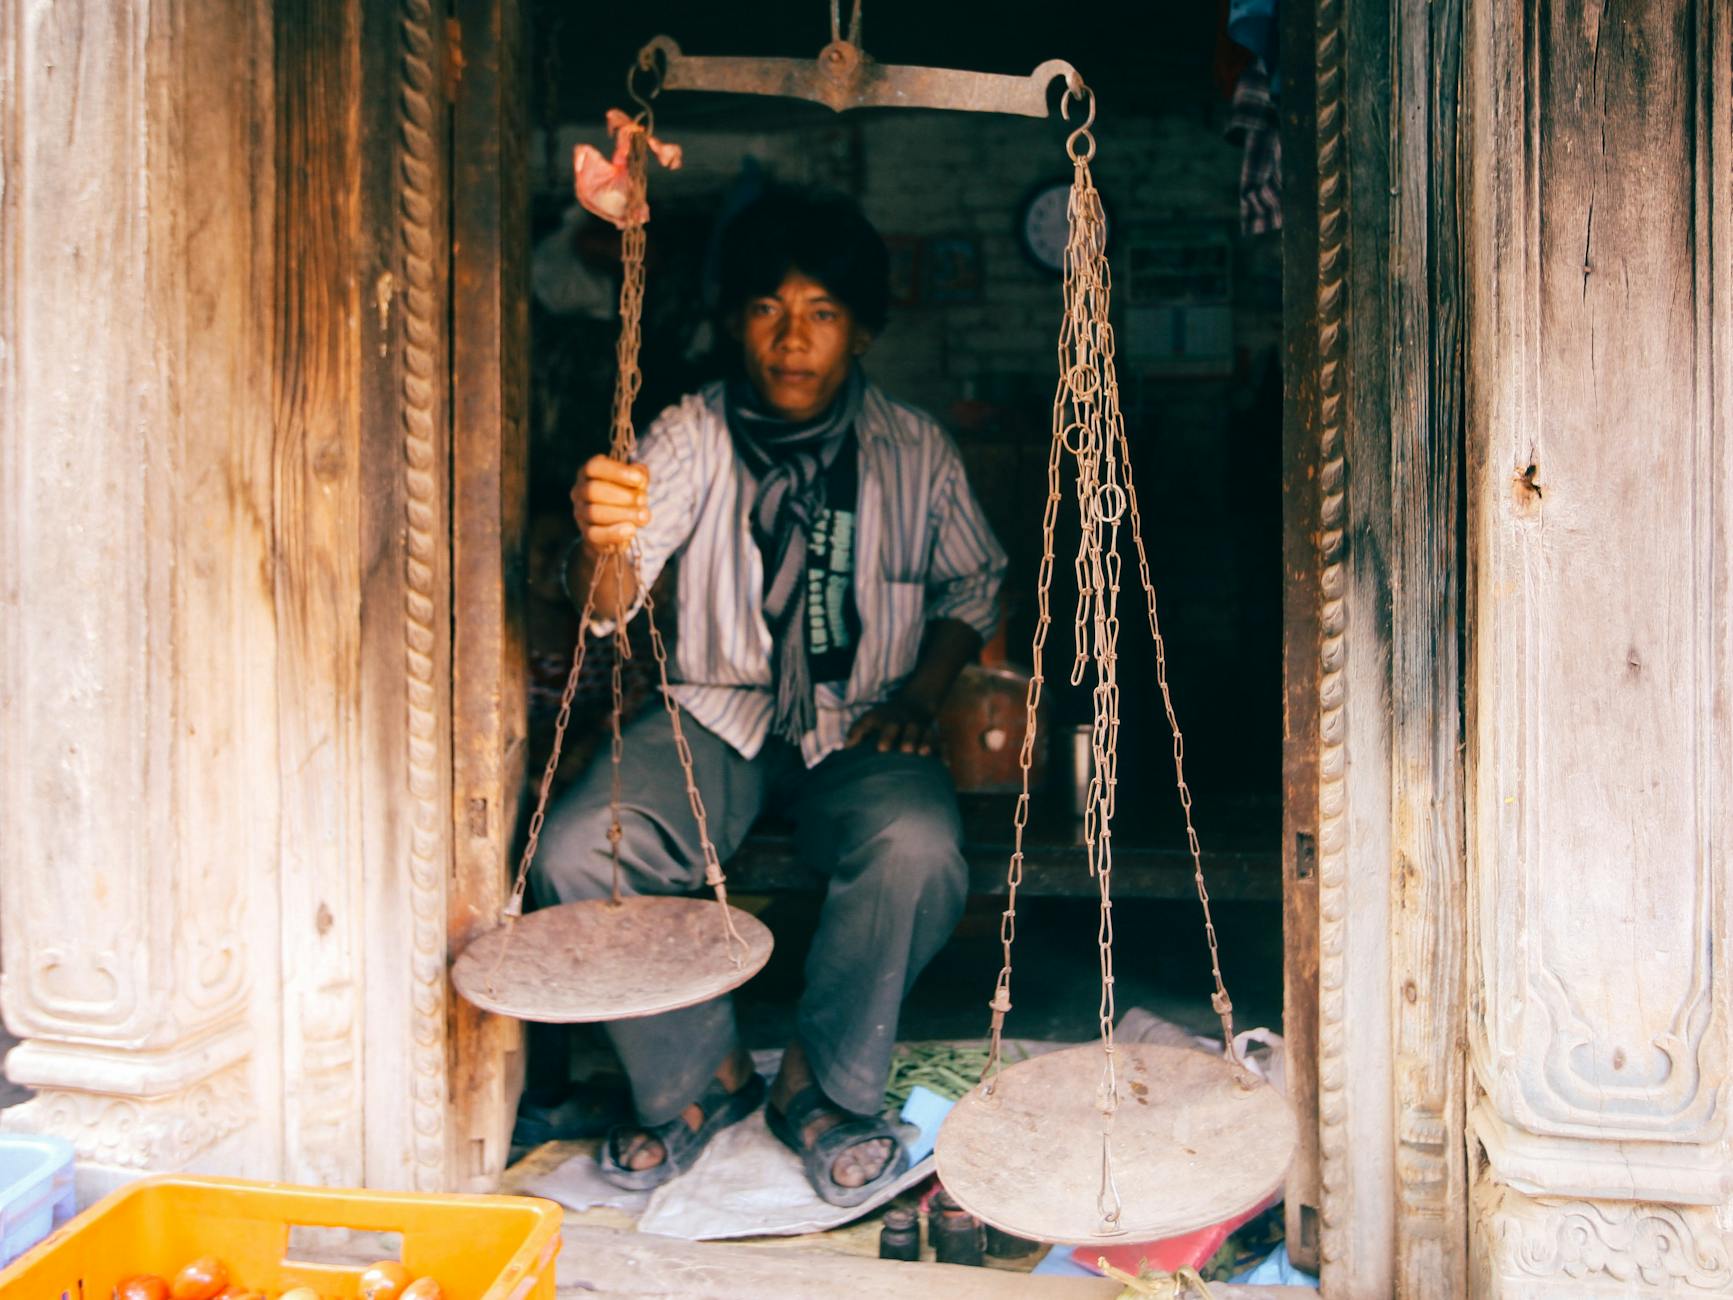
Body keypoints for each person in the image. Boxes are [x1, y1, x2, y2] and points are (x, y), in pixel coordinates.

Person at [537, 184, 1006, 1207]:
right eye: (766, 309)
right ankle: (693, 1076)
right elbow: (610, 600)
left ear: (863, 330)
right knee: (577, 850)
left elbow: (974, 582)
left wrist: (921, 697)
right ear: (734, 320)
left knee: (918, 848)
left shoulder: (914, 448)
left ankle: (821, 1090)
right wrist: (599, 539)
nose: (791, 339)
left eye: (822, 313)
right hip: (716, 711)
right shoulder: (690, 432)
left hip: (869, 721)